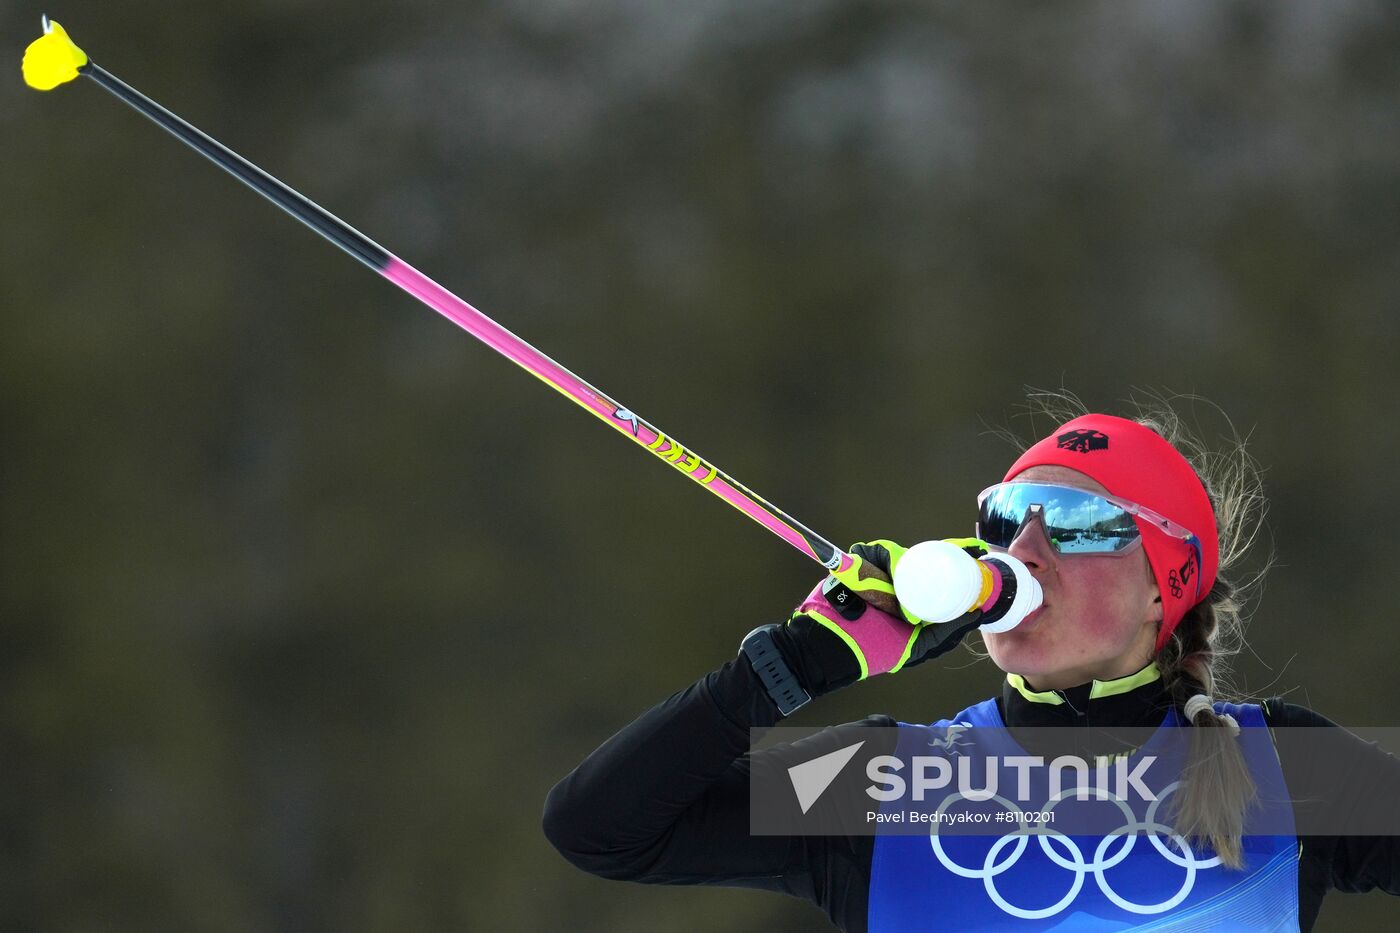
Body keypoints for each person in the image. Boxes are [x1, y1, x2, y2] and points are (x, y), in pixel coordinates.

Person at [542, 401, 1400, 931]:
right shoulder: (885, 782)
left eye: (1073, 520)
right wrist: (783, 669)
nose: (1025, 547)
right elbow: (601, 828)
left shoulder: (1282, 767)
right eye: (1006, 517)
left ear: (1162, 589)